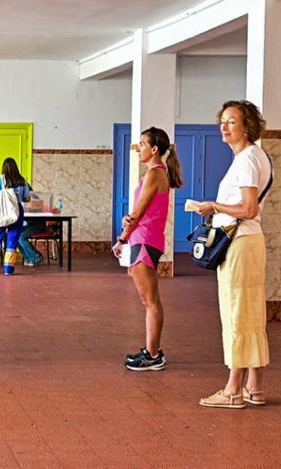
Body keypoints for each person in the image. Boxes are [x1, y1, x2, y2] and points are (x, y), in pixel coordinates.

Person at [194, 100, 273, 409]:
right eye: (222, 121)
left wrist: (213, 206)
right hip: (249, 242)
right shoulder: (255, 156)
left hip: (240, 242)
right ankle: (254, 386)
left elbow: (248, 208)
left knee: (236, 313)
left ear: (247, 126)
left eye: (231, 121)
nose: (224, 127)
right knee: (250, 312)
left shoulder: (247, 160)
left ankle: (233, 390)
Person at [112, 126, 183, 371]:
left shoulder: (155, 174)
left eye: (142, 144)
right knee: (147, 300)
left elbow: (139, 212)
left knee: (150, 301)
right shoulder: (155, 174)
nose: (139, 148)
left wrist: (121, 238)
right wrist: (128, 223)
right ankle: (151, 350)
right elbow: (140, 212)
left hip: (144, 240)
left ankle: (153, 355)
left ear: (154, 149)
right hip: (145, 238)